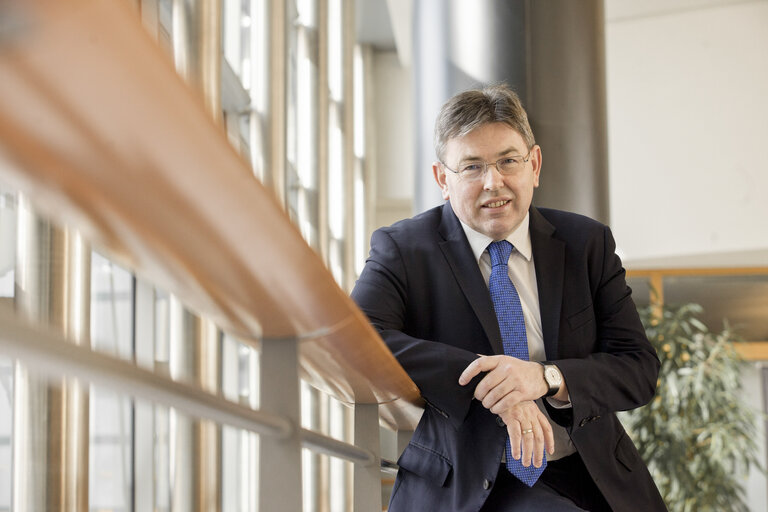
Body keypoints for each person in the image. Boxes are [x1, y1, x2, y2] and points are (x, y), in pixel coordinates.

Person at [351, 84, 666, 511]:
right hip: (470, 479)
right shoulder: (404, 248)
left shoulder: (586, 243)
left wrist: (546, 378)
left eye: (507, 162)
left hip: (588, 472)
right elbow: (359, 340)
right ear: (443, 179)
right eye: (472, 167)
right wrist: (494, 382)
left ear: (533, 165)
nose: (493, 182)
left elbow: (638, 368)